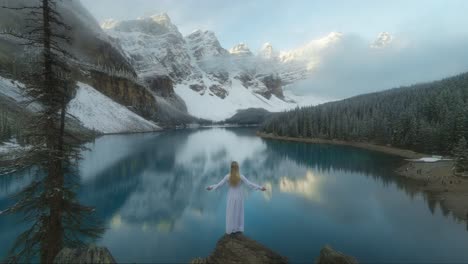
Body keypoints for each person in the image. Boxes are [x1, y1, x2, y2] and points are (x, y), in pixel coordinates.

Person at [207, 161, 266, 234]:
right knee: (238, 212)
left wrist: (211, 187)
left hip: (231, 196)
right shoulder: (241, 177)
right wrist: (260, 188)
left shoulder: (227, 177)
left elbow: (219, 185)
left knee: (231, 212)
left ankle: (231, 229)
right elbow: (250, 184)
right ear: (238, 168)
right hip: (239, 196)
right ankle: (238, 228)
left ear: (231, 168)